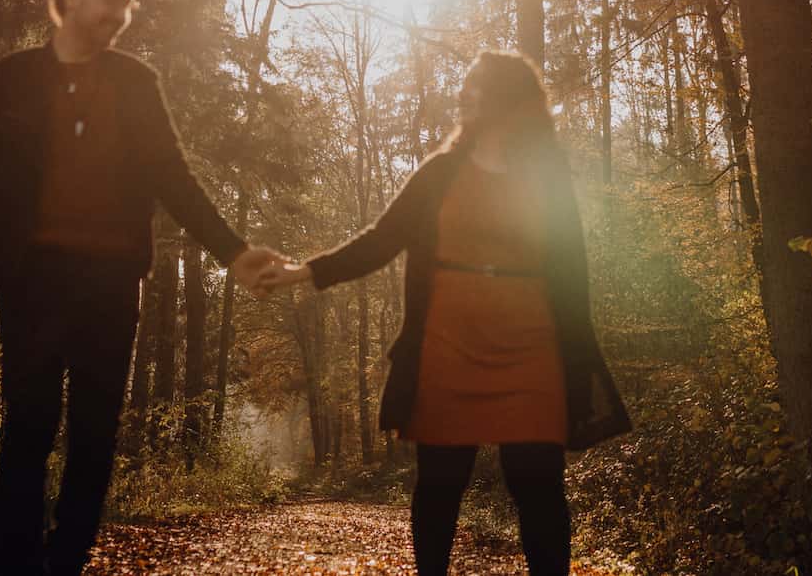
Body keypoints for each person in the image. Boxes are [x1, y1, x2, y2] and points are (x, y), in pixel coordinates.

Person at [0, 0, 287, 576]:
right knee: (28, 429)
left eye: (128, 2)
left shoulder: (137, 84)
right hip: (30, 283)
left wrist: (234, 253)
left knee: (94, 437)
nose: (123, 13)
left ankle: (65, 562)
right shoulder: (8, 83)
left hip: (111, 287)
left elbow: (174, 178)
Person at [263, 50, 630, 576]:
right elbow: (382, 239)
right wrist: (305, 271)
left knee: (538, 484)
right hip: (448, 344)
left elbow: (573, 269)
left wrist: (579, 356)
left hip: (532, 347)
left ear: (509, 98)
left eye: (477, 85)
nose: (465, 94)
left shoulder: (546, 174)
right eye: (466, 87)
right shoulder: (440, 172)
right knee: (440, 483)